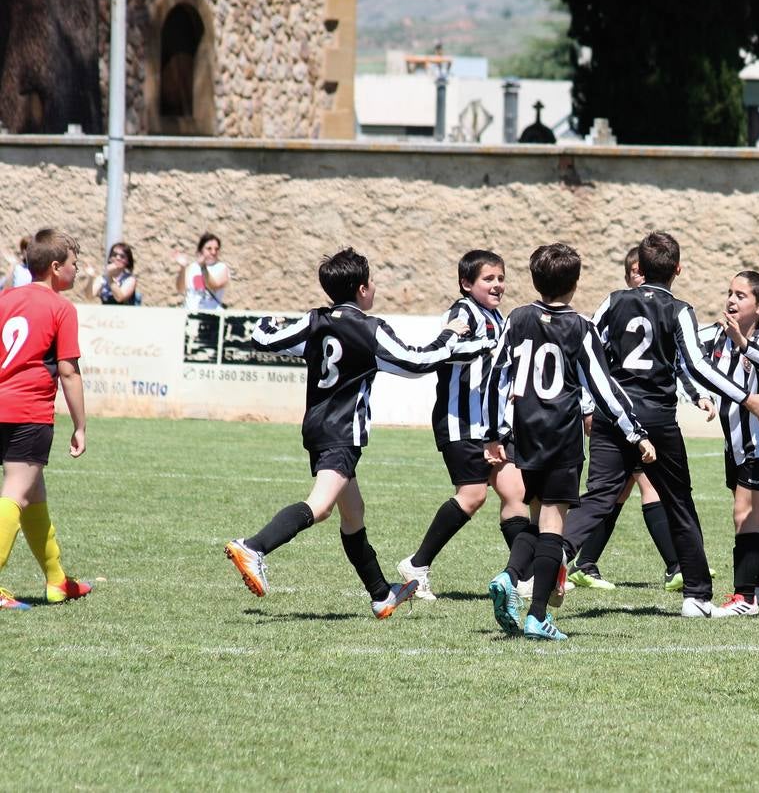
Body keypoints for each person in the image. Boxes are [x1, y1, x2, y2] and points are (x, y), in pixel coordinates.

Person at [224, 247, 492, 619]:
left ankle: (382, 594)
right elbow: (416, 362)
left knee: (354, 514)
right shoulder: (369, 329)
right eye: (373, 283)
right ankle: (253, 547)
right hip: (341, 432)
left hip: (317, 426)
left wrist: (264, 324)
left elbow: (265, 339)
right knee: (319, 507)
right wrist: (449, 335)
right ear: (363, 289)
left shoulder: (316, 320)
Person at [557, 232, 759, 619]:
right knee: (678, 502)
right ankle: (696, 596)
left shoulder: (613, 299)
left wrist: (588, 403)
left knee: (597, 497)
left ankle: (553, 559)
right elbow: (696, 364)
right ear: (678, 269)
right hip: (656, 418)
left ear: (638, 269)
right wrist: (745, 397)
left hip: (613, 414)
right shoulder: (679, 310)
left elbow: (587, 349)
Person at [483, 243, 654, 641]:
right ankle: (536, 613)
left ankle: (510, 577)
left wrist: (494, 432)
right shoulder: (580, 327)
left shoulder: (518, 317)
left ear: (534, 279)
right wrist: (636, 431)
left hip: (525, 435)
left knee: (540, 517)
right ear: (575, 285)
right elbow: (605, 387)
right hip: (561, 436)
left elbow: (495, 375)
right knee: (553, 527)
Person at [397, 250, 529, 601]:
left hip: (492, 426)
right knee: (472, 496)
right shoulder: (462, 311)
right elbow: (446, 349)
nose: (497, 285)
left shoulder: (498, 318)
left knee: (515, 493)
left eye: (501, 278)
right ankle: (417, 564)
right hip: (460, 422)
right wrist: (489, 346)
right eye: (489, 279)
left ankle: (524, 575)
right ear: (466, 284)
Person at [569, 246, 688, 591]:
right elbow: (591, 361)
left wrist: (694, 394)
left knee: (620, 490)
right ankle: (677, 566)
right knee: (633, 488)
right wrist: (588, 406)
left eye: (643, 270)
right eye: (634, 272)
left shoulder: (661, 313)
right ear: (628, 276)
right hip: (620, 415)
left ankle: (584, 563)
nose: (640, 277)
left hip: (639, 415)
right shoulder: (617, 310)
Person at [0, 229, 93, 611]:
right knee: (18, 491)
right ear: (56, 268)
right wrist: (81, 425)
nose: (78, 269)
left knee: (33, 494)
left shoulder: (5, 298)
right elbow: (68, 372)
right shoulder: (61, 308)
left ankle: (57, 581)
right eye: (75, 263)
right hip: (29, 411)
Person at [699, 271, 759, 616]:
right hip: (734, 442)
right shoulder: (717, 335)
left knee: (744, 513)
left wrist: (743, 343)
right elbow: (688, 351)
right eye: (729, 293)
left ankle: (745, 596)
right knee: (754, 513)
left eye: (741, 295)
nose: (731, 301)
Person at [175, 232, 230, 309]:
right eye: (209, 249)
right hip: (190, 314)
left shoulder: (222, 267)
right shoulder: (192, 267)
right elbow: (180, 288)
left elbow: (214, 285)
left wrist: (203, 267)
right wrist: (182, 268)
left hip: (210, 316)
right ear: (201, 250)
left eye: (216, 249)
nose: (213, 252)